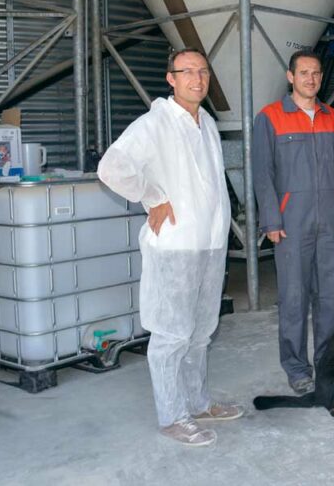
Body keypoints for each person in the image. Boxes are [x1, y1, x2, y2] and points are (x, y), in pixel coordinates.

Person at [98, 47, 243, 447]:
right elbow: (111, 167)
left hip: (210, 245)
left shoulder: (207, 124)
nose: (197, 79)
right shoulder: (154, 123)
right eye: (188, 72)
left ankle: (197, 403)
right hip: (176, 248)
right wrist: (151, 196)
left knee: (201, 332)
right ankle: (172, 416)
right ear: (171, 78)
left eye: (203, 72)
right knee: (171, 335)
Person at [252, 49, 334, 395]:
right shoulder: (270, 117)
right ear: (290, 76)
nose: (311, 79)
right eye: (304, 73)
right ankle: (297, 368)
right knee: (294, 298)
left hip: (329, 221)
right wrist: (270, 218)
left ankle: (328, 364)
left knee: (332, 298)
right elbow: (263, 175)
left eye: (316, 73)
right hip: (291, 223)